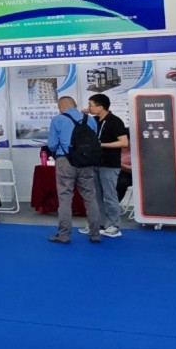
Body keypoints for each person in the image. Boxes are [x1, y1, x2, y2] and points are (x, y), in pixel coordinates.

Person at [46, 97, 103, 244]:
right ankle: (95, 234)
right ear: (75, 105)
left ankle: (64, 234)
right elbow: (94, 140)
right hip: (86, 162)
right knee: (90, 197)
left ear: (60, 107)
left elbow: (52, 144)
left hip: (65, 161)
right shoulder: (90, 120)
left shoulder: (58, 120)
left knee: (65, 197)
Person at [88, 94, 129, 238]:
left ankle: (114, 225)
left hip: (110, 164)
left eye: (91, 105)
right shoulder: (94, 121)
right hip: (95, 162)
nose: (89, 108)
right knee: (96, 196)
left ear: (100, 107)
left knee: (110, 195)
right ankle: (100, 224)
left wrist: (102, 145)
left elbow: (124, 142)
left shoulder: (115, 121)